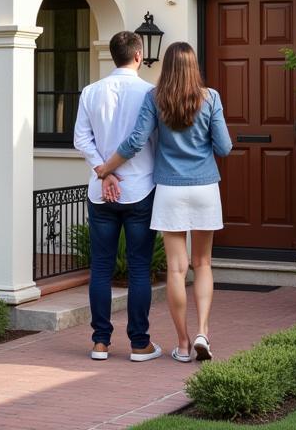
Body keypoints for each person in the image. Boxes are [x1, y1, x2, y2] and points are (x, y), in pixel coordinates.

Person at [96, 41, 232, 363]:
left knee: (175, 268)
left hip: (169, 189)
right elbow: (224, 147)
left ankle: (183, 344)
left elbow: (135, 142)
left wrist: (107, 168)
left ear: (167, 66)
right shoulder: (210, 98)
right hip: (204, 188)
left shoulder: (155, 98)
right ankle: (202, 332)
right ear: (193, 66)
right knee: (203, 264)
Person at [73, 30, 162, 362]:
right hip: (141, 189)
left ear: (114, 56)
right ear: (138, 55)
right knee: (139, 268)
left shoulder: (91, 92)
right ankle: (139, 344)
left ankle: (100, 342)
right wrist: (109, 172)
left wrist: (103, 171)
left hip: (101, 193)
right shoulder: (149, 93)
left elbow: (81, 139)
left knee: (100, 268)